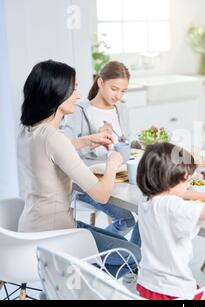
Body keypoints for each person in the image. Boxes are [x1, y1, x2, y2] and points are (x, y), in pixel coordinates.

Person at [17, 60, 141, 278]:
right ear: (56, 92)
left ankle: (69, 283)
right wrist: (113, 163)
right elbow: (102, 196)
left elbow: (52, 150)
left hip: (33, 227)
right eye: (73, 88)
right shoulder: (54, 138)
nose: (77, 94)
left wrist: (86, 141)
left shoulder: (28, 130)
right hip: (57, 235)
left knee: (123, 244)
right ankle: (77, 283)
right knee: (135, 256)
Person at [135, 142, 205, 300]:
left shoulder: (146, 197)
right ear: (169, 182)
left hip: (147, 284)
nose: (187, 186)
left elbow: (181, 193)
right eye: (186, 181)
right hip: (173, 291)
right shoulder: (173, 207)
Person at [61, 61, 140, 246]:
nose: (118, 95)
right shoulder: (79, 110)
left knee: (147, 211)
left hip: (120, 179)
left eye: (123, 91)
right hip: (90, 183)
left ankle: (131, 265)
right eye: (114, 89)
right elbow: (66, 149)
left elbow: (125, 142)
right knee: (127, 220)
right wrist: (94, 138)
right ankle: (94, 252)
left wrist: (130, 142)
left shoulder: (122, 108)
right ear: (100, 82)